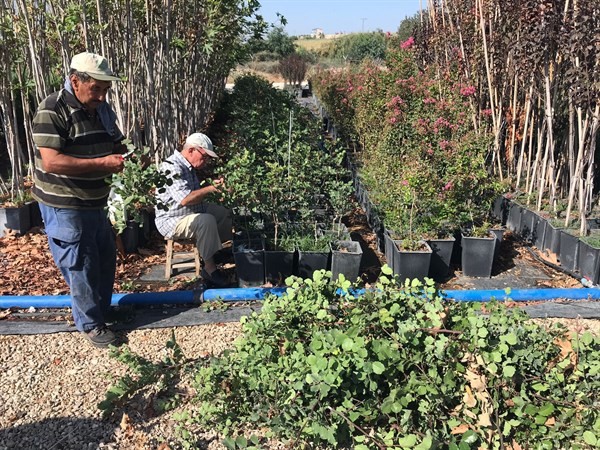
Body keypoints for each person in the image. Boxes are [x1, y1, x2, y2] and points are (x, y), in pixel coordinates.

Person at [31, 52, 126, 348]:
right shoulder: (51, 110)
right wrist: (102, 164)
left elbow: (116, 142)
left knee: (104, 257)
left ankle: (101, 311)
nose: (101, 95)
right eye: (96, 88)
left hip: (96, 201)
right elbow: (53, 162)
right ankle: (90, 324)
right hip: (65, 204)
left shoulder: (103, 110)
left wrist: (130, 156)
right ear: (75, 81)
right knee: (80, 263)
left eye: (105, 89)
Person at [155, 133, 233, 287]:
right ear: (191, 150)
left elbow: (195, 196)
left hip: (191, 212)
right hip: (172, 219)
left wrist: (215, 187)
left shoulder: (187, 166)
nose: (206, 161)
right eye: (204, 156)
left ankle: (215, 253)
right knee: (206, 221)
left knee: (224, 212)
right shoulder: (172, 167)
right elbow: (185, 199)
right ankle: (209, 270)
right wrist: (211, 189)